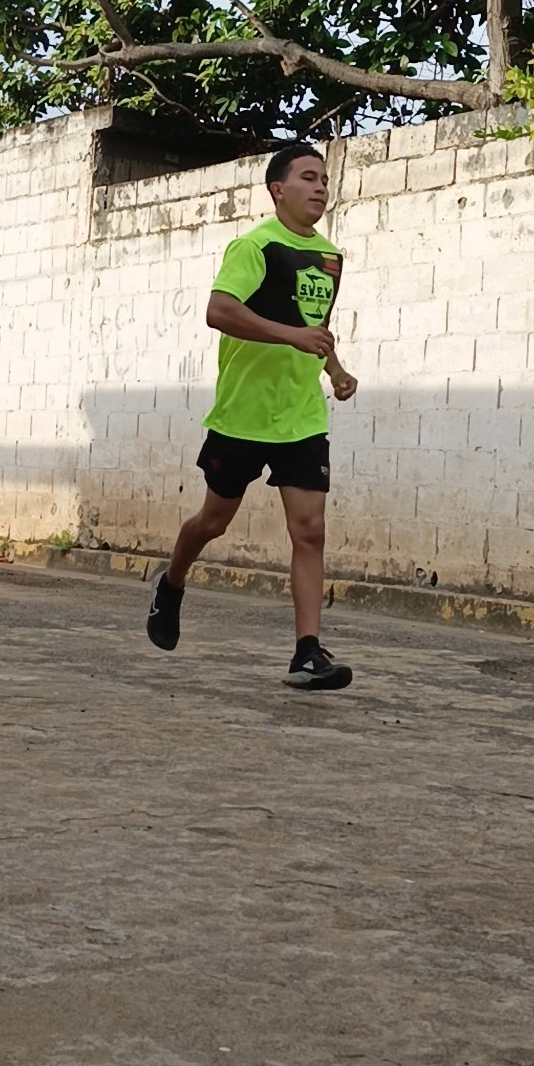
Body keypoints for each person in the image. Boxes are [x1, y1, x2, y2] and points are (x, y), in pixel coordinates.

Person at [146, 141, 358, 688]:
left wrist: (334, 368)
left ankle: (307, 653)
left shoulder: (330, 256)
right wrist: (291, 336)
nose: (319, 188)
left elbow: (311, 323)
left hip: (300, 416)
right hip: (242, 414)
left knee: (309, 531)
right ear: (277, 189)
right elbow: (220, 311)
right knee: (213, 522)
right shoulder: (255, 246)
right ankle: (171, 583)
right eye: (308, 178)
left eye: (324, 180)